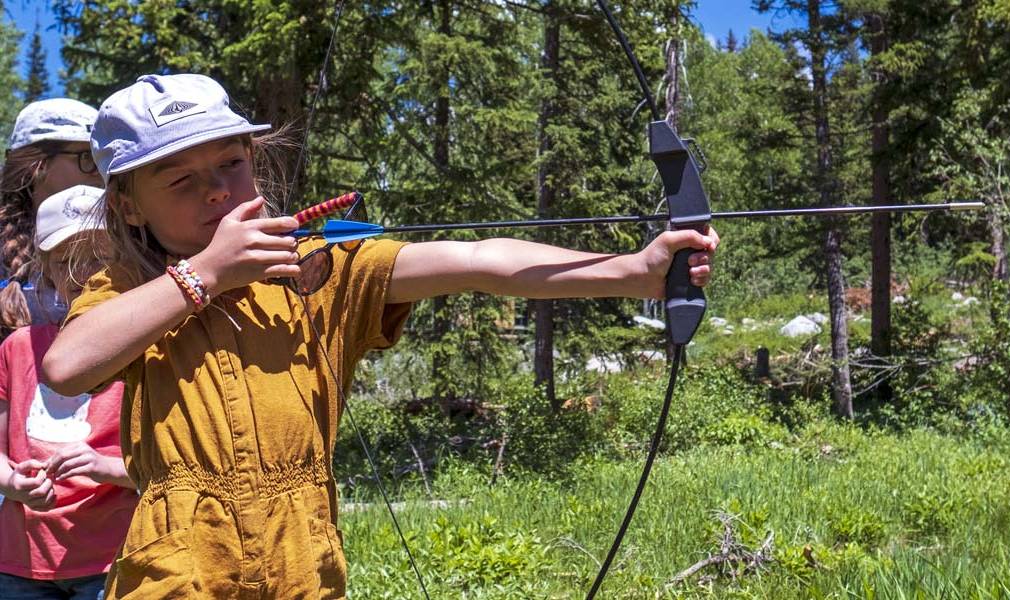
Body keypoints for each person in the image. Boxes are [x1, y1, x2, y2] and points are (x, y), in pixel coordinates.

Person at [42, 73, 719, 598]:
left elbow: (481, 262)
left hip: (302, 563)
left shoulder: (322, 271)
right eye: (182, 180)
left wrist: (632, 272)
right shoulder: (132, 293)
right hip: (180, 571)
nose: (217, 192)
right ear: (129, 204)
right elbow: (68, 366)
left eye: (230, 164)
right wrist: (207, 274)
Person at [0, 185, 138, 600]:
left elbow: (170, 469)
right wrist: (10, 482)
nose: (85, 273)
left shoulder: (148, 347)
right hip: (20, 562)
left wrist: (104, 466)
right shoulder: (19, 347)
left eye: (100, 257)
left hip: (112, 560)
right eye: (66, 261)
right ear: (46, 269)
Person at [1, 99, 103, 338]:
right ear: (39, 166)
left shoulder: (128, 237)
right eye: (87, 158)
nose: (101, 172)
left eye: (103, 158)